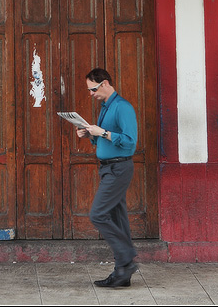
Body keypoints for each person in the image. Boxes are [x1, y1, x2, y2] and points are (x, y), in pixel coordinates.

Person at [75, 68, 139, 288]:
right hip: (108, 168)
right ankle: (123, 273)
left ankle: (127, 257)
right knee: (118, 218)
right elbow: (104, 140)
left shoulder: (123, 107)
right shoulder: (105, 108)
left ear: (104, 83)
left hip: (119, 168)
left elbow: (130, 142)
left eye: (93, 89)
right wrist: (89, 134)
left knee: (98, 214)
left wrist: (101, 132)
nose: (91, 94)